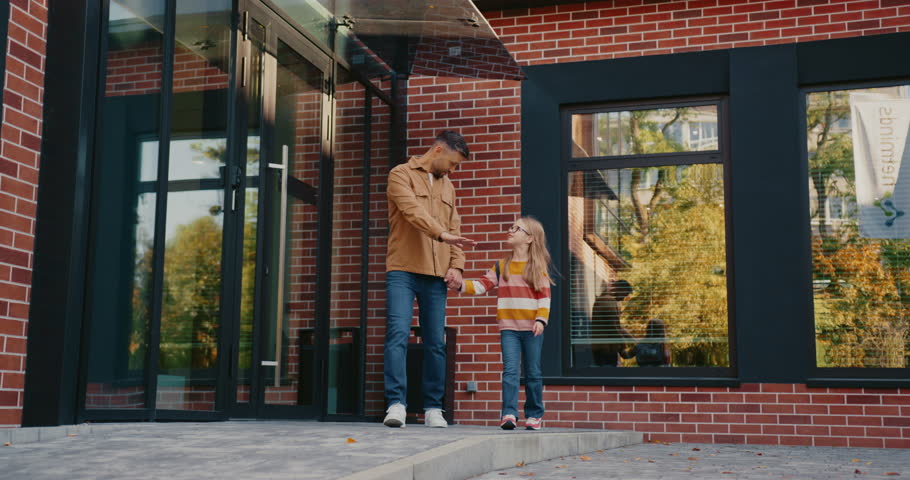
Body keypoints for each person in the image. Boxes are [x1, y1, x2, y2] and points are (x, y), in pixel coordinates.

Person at [383, 130, 476, 428]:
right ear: (438, 150)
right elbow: (411, 212)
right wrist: (442, 234)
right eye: (453, 163)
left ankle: (433, 408)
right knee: (398, 334)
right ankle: (396, 404)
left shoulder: (449, 187)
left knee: (436, 342)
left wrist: (457, 267)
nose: (453, 170)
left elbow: (455, 225)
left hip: (436, 276)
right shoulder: (400, 175)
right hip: (403, 269)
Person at [457, 216, 554, 431]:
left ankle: (534, 414)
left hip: (532, 329)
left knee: (533, 372)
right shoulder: (502, 266)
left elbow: (544, 297)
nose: (510, 230)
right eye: (511, 227)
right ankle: (509, 413)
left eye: (516, 228)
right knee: (510, 371)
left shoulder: (537, 266)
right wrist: (460, 285)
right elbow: (482, 285)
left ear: (529, 238)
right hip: (509, 328)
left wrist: (541, 320)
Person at [590, 280, 634, 367]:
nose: (623, 299)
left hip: (601, 347)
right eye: (624, 295)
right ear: (620, 289)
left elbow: (617, 326)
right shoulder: (609, 302)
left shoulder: (603, 300)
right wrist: (623, 349)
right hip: (606, 349)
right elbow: (614, 328)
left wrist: (632, 339)